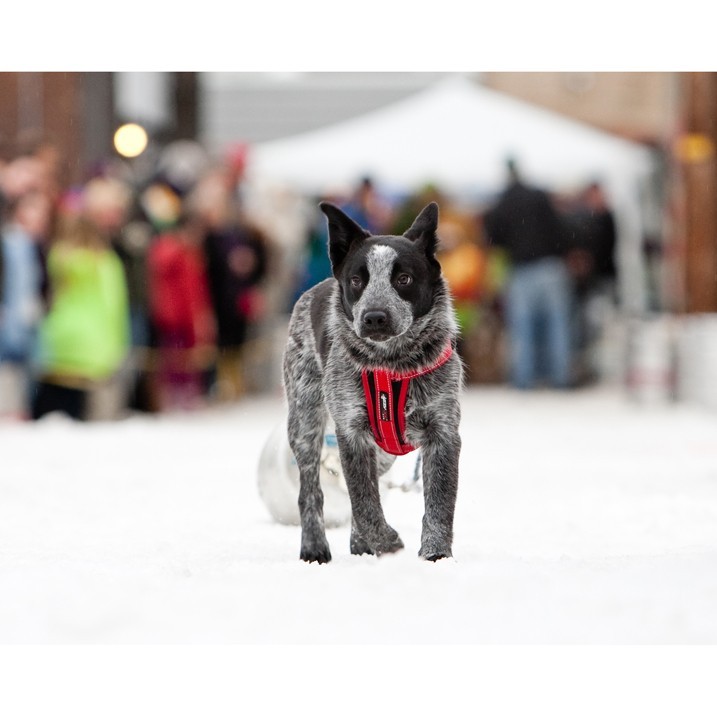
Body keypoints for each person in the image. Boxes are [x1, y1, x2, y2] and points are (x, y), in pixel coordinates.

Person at [31, 210, 130, 420]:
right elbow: (114, 302)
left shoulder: (58, 258)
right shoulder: (105, 263)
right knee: (93, 410)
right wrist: (119, 341)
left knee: (59, 408)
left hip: (60, 333)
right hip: (94, 336)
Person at [483, 158, 573, 390]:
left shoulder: (503, 201)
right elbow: (560, 227)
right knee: (557, 325)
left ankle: (524, 380)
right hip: (550, 266)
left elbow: (493, 237)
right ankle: (559, 377)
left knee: (522, 328)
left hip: (521, 269)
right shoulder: (539, 196)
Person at [147, 208, 216, 412]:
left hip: (189, 315)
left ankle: (187, 395)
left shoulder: (192, 254)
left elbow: (196, 288)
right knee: (173, 360)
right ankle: (173, 397)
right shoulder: (170, 249)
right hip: (173, 315)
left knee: (189, 359)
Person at [0, 191, 52, 419]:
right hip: (8, 323)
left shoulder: (36, 246)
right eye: (34, 210)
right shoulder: (9, 241)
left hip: (28, 325)